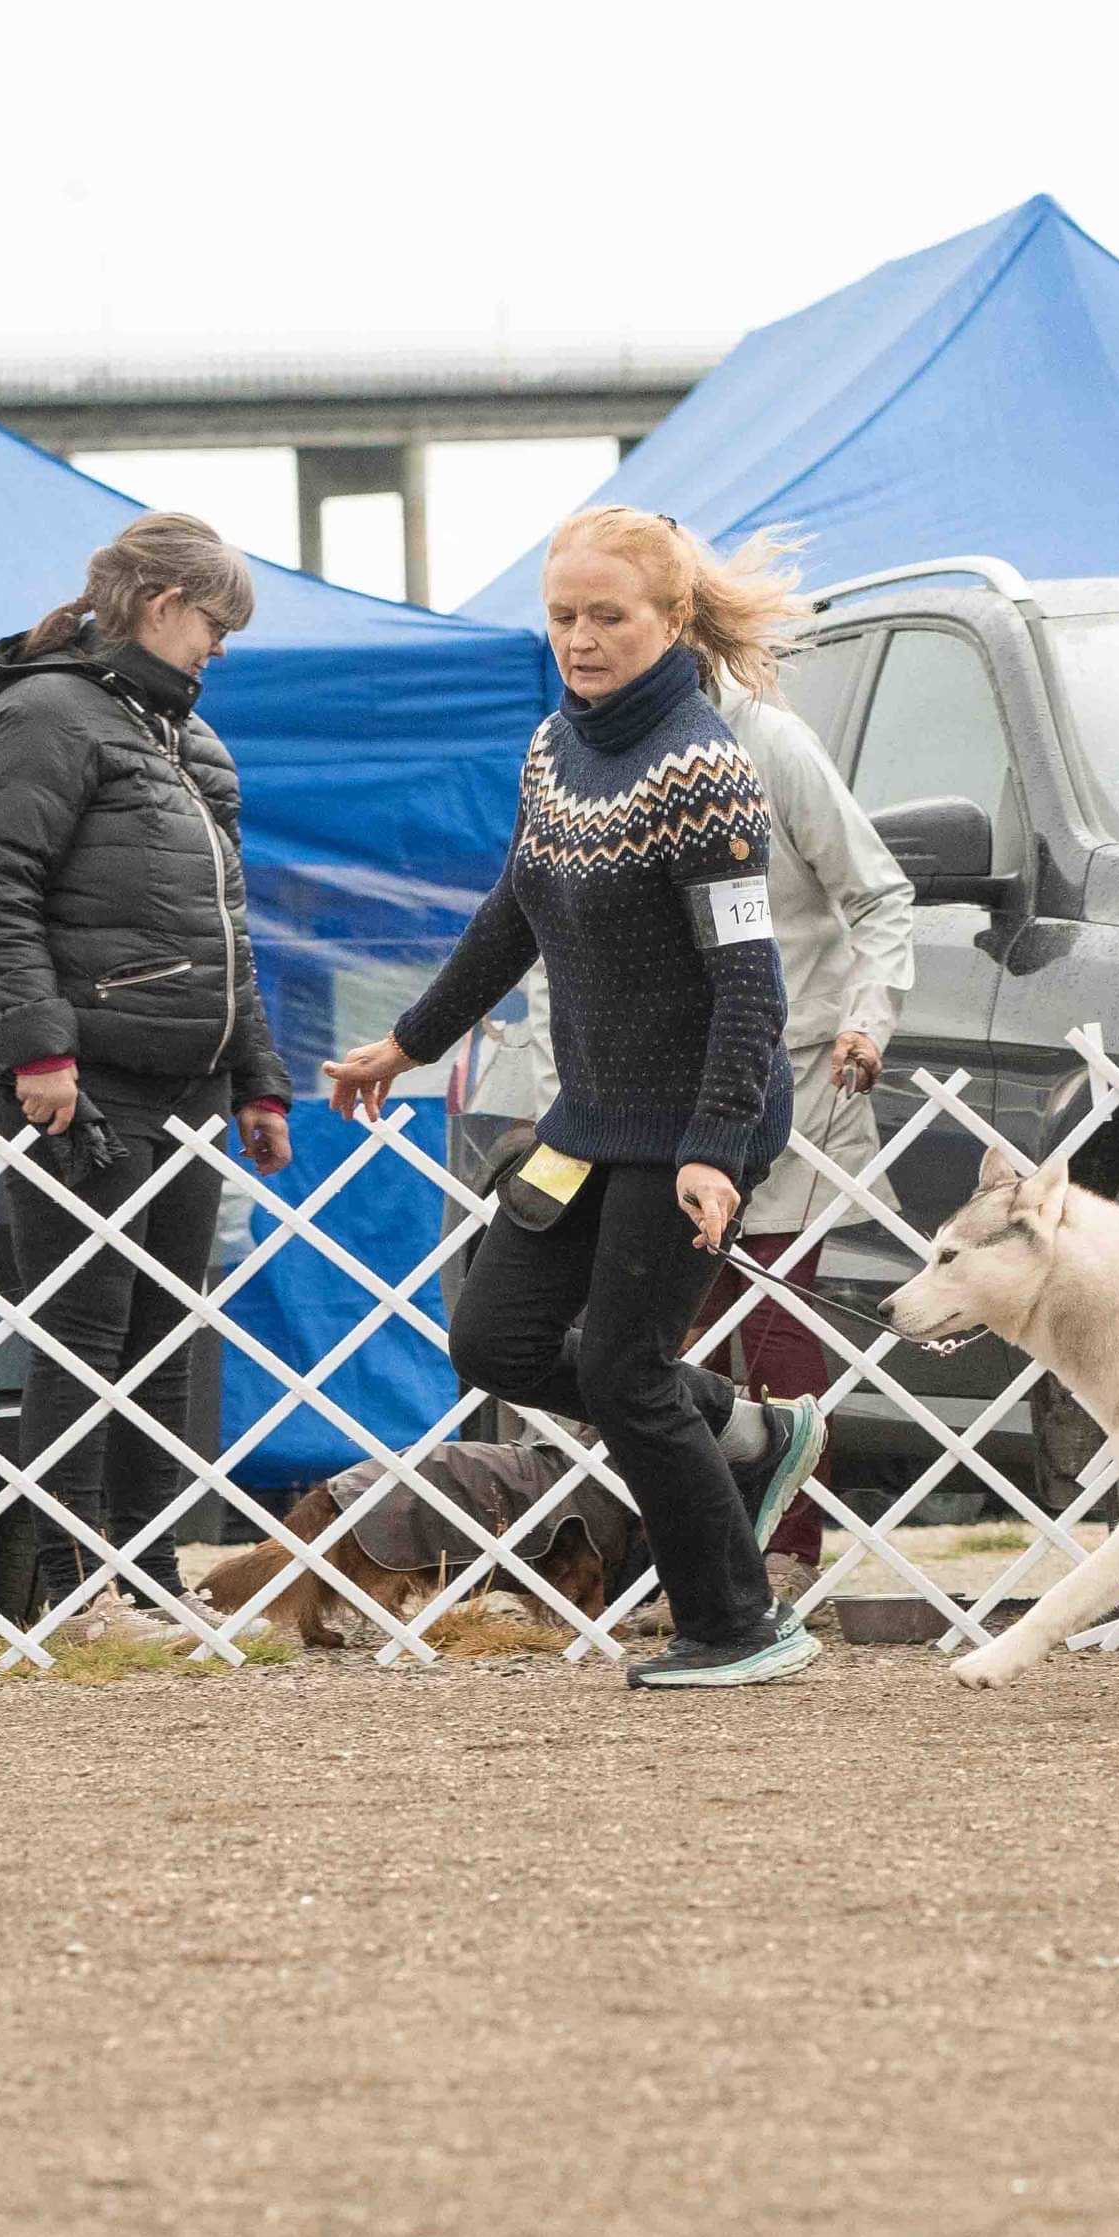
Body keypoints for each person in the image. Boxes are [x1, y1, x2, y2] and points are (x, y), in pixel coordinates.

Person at [322, 506, 824, 1690]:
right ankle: (747, 1430)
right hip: (591, 1119)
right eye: (562, 618)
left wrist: (714, 1149)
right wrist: (403, 1042)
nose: (581, 640)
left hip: (703, 1114)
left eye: (607, 617)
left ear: (671, 620)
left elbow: (748, 981)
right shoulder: (556, 746)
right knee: (493, 1338)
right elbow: (513, 914)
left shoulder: (704, 770)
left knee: (623, 1373)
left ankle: (741, 1624)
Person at [0, 513, 295, 1642]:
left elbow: (227, 928)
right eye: (214, 622)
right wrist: (39, 1048)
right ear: (159, 605)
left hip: (189, 1086)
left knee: (161, 1339)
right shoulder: (43, 713)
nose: (221, 648)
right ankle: (74, 1593)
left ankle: (146, 1583)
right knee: (81, 1338)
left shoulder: (195, 746)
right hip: (83, 1085)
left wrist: (258, 1077)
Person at [697, 669, 912, 1582]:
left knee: (775, 1316)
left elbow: (878, 894)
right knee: (683, 1332)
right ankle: (697, 1555)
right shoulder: (590, 745)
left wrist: (869, 1016)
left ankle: (787, 1553)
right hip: (662, 1079)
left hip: (794, 1067)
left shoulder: (775, 743)